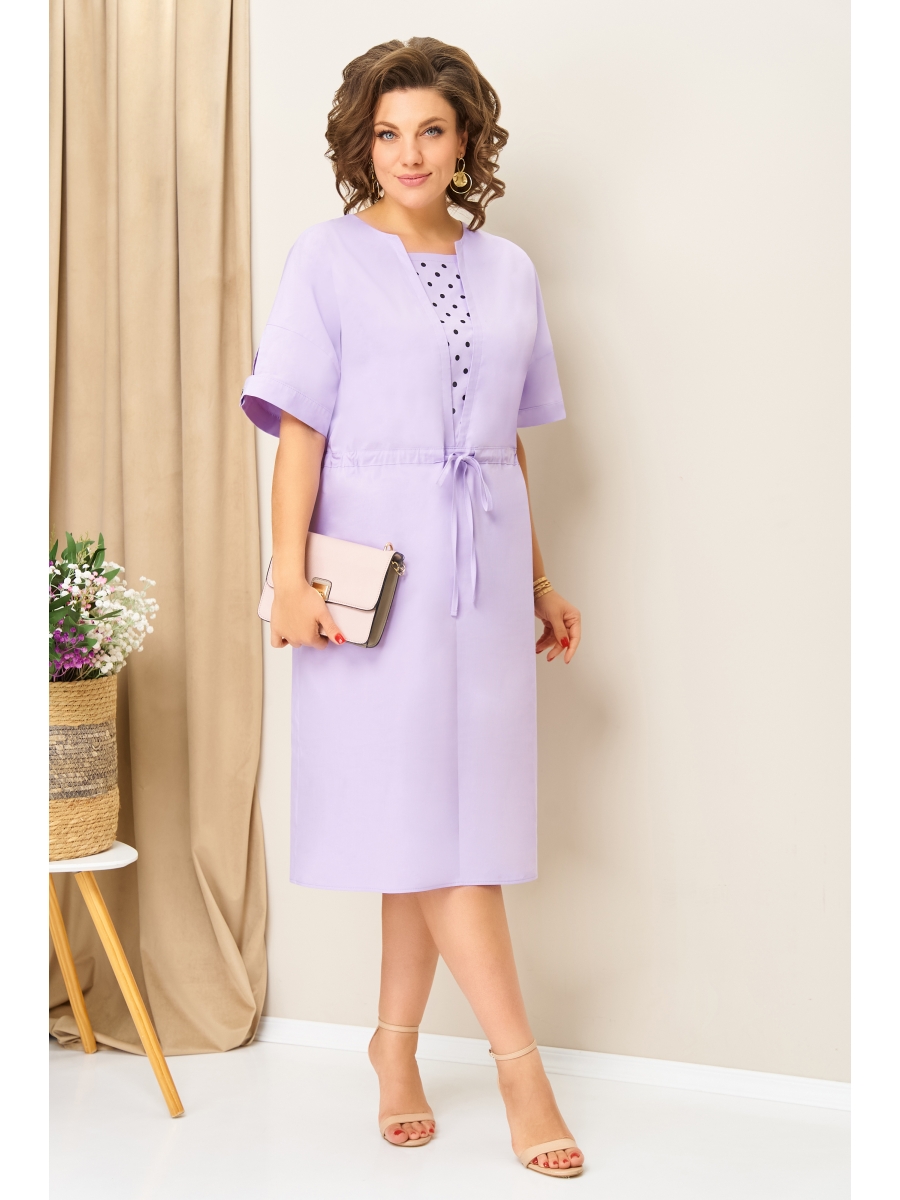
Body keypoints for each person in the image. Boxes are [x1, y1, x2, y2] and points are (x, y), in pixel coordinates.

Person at [241, 37, 584, 1179]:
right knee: (431, 824)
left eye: (431, 129)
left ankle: (393, 1048)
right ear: (361, 143)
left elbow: (506, 446)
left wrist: (539, 582)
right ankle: (520, 1069)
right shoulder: (326, 257)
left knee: (439, 820)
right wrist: (287, 578)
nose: (409, 153)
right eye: (387, 133)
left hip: (481, 579)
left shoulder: (511, 269)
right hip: (374, 579)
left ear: (467, 138)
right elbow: (301, 434)